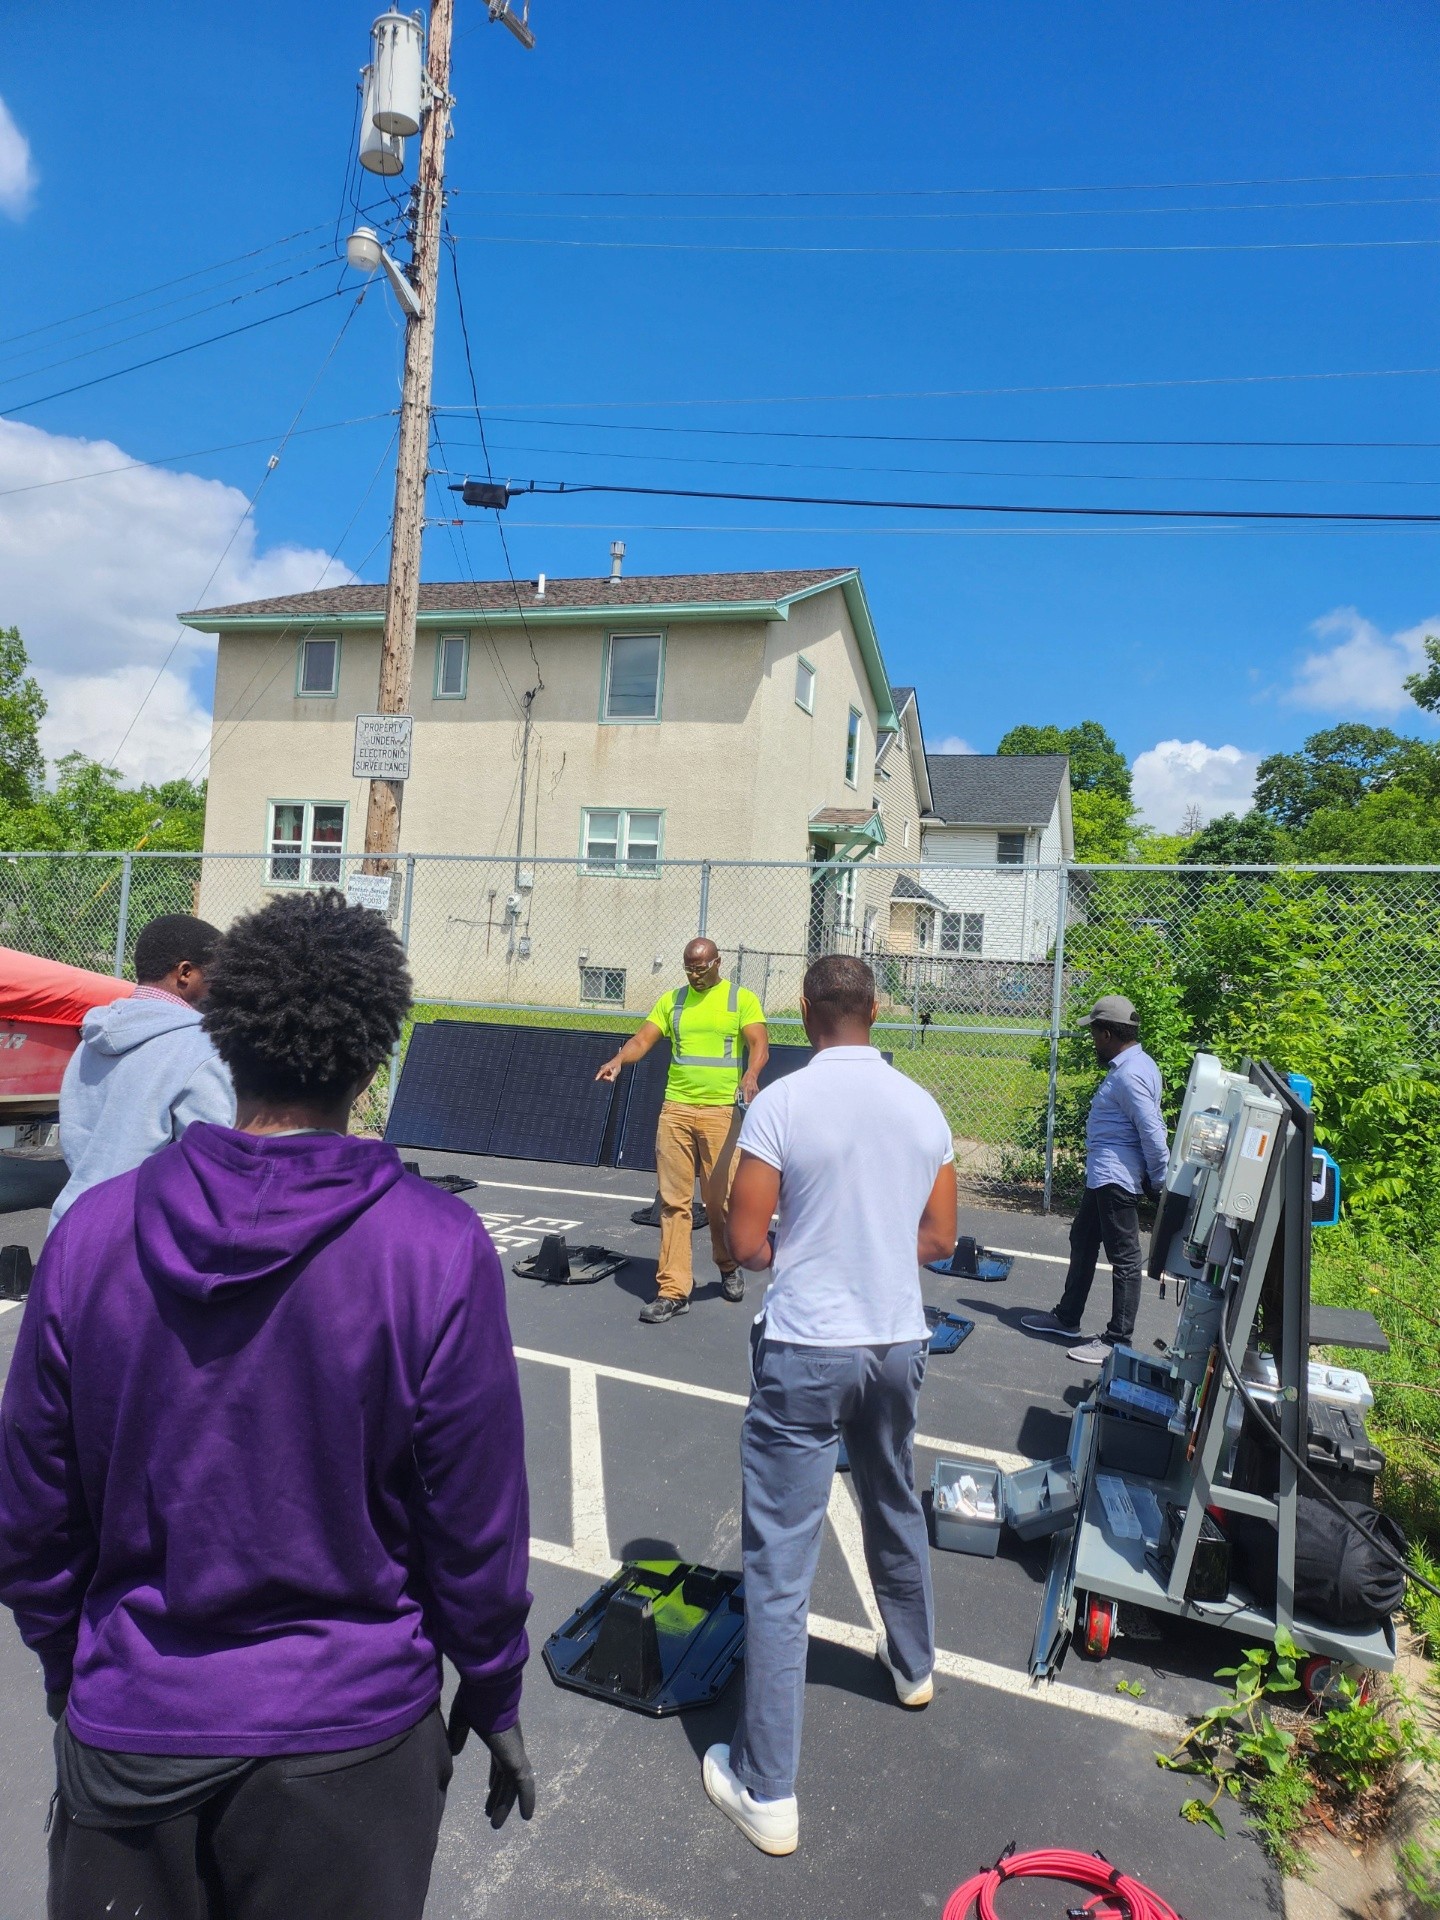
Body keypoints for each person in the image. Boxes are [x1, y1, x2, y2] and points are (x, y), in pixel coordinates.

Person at [0, 890, 534, 1920]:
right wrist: (494, 1679)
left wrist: (74, 1669)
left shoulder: (93, 1233)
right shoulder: (433, 1248)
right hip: (348, 1734)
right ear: (371, 1063)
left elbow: (33, 1507)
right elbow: (473, 1513)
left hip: (132, 1719)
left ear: (222, 1037)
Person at [701, 953, 956, 1856]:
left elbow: (744, 1241)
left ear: (806, 1011)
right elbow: (939, 1237)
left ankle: (768, 1787)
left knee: (779, 1561)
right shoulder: (923, 1107)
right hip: (896, 1343)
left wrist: (797, 1243)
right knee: (892, 1497)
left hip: (808, 1344)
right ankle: (914, 1663)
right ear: (875, 1009)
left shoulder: (782, 1104)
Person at [595, 936, 768, 1323]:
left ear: (718, 963)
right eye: (689, 967)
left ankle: (726, 1264)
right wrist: (620, 1058)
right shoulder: (672, 1001)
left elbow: (759, 1042)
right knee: (674, 1202)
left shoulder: (740, 1000)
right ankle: (674, 1290)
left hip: (720, 1113)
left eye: (701, 968)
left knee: (721, 1201)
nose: (694, 975)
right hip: (676, 1110)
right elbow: (643, 1039)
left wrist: (752, 1073)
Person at [49, 911, 235, 1231]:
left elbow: (77, 1137)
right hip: (142, 1241)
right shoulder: (200, 1050)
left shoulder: (91, 1040)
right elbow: (214, 1168)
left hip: (71, 1226)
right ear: (185, 973)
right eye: (217, 978)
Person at [1021, 993, 1170, 1365]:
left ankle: (1117, 1340)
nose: (1092, 1041)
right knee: (1083, 1239)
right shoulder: (1135, 1065)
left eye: (1094, 1034)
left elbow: (1152, 1131)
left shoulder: (1131, 1074)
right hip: (1105, 1174)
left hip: (1116, 1178)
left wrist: (1160, 1178)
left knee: (1124, 1257)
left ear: (1107, 1034)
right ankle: (1067, 1318)